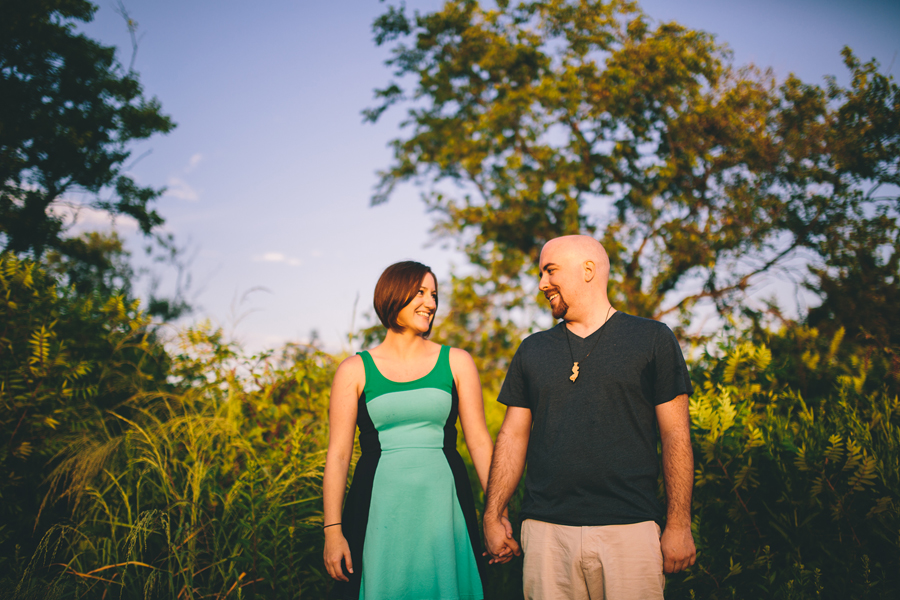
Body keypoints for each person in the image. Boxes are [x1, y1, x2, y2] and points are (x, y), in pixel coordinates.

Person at [482, 235, 697, 599]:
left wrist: (679, 523)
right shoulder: (532, 349)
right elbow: (512, 436)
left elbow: (676, 435)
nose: (541, 284)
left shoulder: (652, 339)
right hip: (546, 532)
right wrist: (493, 513)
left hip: (630, 529)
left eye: (550, 271)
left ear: (588, 270)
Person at [323, 261, 497, 600]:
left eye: (433, 294)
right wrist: (333, 532)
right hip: (379, 507)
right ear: (393, 294)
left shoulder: (457, 361)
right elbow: (339, 455)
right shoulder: (354, 369)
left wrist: (497, 514)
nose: (430, 303)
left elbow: (479, 442)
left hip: (444, 507)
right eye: (420, 292)